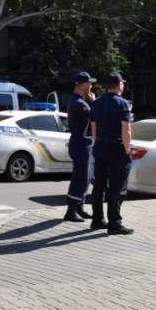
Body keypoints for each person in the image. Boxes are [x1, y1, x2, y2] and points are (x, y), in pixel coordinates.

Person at [89, 72, 134, 235]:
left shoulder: (97, 103)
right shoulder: (123, 104)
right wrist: (127, 150)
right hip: (116, 148)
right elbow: (126, 129)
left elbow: (93, 127)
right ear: (120, 85)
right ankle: (114, 222)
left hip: (100, 146)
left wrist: (98, 141)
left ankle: (97, 220)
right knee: (117, 186)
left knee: (99, 185)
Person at [64, 72, 96, 222]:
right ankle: (70, 211)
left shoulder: (80, 100)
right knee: (80, 178)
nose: (91, 86)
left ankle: (79, 207)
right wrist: (94, 102)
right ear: (83, 85)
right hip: (80, 143)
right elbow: (95, 116)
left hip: (83, 143)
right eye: (90, 83)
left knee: (86, 177)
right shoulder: (78, 103)